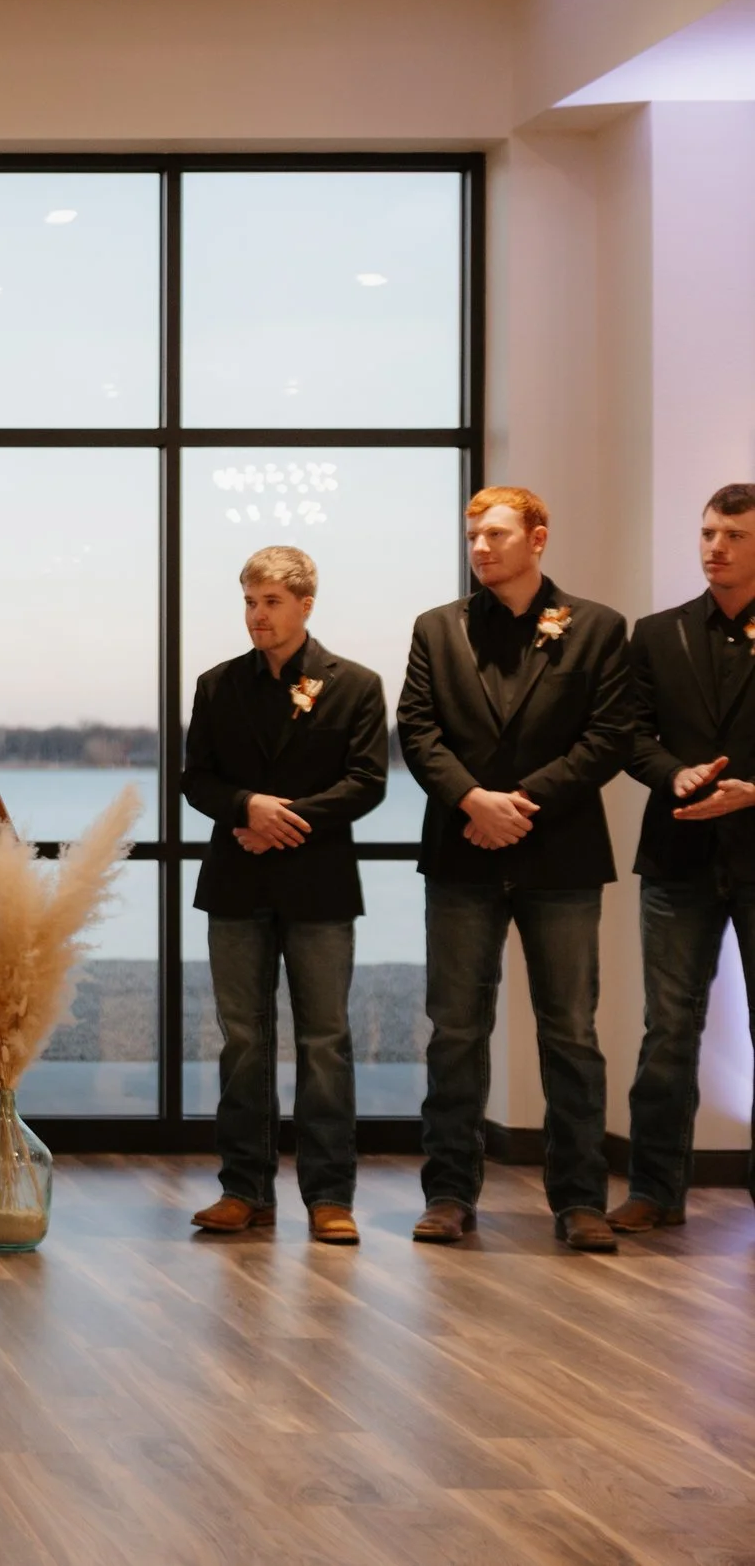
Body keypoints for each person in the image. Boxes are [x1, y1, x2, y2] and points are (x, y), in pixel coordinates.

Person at [397, 486, 631, 1253]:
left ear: (538, 538)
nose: (480, 547)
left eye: (495, 533)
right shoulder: (439, 628)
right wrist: (472, 799)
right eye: (472, 535)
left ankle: (580, 1200)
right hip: (462, 850)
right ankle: (448, 1194)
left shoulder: (597, 627)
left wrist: (519, 803)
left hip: (558, 853)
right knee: (456, 1031)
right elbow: (419, 729)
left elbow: (605, 738)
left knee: (570, 1031)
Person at [181, 547, 388, 1246]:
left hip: (318, 883)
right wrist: (246, 808)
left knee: (325, 1041)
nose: (256, 615)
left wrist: (282, 820)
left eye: (270, 601)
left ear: (305, 604)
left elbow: (367, 781)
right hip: (236, 879)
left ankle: (330, 1195)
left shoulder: (356, 684)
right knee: (243, 1041)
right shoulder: (216, 685)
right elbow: (197, 779)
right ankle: (245, 1190)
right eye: (249, 601)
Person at [613, 483, 755, 1231]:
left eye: (732, 534)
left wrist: (751, 791)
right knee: (668, 1028)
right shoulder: (657, 632)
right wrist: (674, 773)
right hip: (677, 858)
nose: (714, 546)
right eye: (706, 531)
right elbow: (629, 734)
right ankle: (654, 1189)